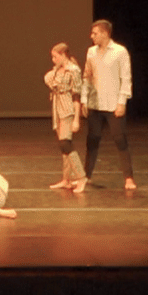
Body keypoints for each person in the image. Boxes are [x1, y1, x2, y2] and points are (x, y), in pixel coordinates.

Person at [82, 18, 135, 190]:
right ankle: (86, 175)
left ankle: (128, 178)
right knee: (92, 140)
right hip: (95, 104)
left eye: (95, 33)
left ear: (105, 33)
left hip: (113, 104)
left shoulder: (120, 51)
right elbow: (87, 77)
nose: (92, 36)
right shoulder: (91, 52)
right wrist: (84, 99)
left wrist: (122, 103)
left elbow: (126, 79)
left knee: (120, 140)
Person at [45, 42, 85, 192]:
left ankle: (81, 177)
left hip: (67, 108)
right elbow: (50, 80)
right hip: (57, 107)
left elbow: (76, 94)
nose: (53, 60)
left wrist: (76, 118)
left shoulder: (73, 70)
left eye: (55, 57)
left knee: (65, 143)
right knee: (62, 145)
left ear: (63, 55)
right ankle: (66, 179)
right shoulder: (57, 70)